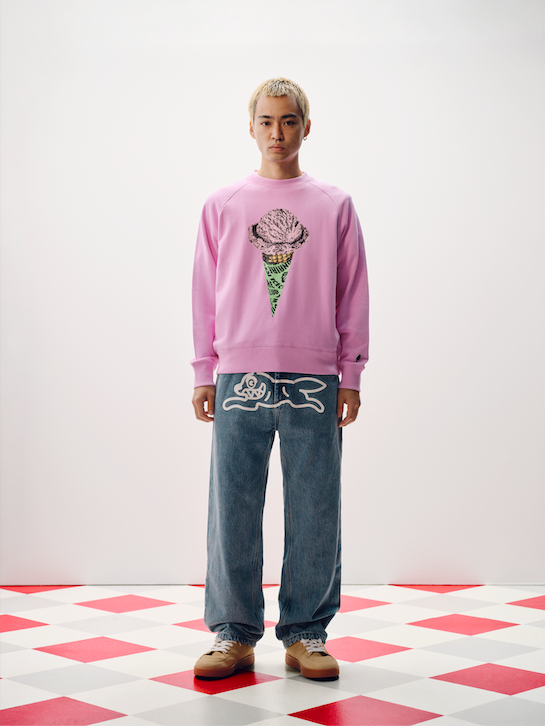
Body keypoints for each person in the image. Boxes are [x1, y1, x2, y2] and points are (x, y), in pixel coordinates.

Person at [191, 78, 369, 681]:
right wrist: (203, 369)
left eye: (289, 121)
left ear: (306, 127)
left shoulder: (334, 205)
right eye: (266, 121)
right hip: (237, 372)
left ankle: (306, 633)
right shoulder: (223, 204)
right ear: (250, 127)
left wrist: (351, 372)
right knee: (232, 507)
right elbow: (203, 292)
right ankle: (233, 633)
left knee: (315, 507)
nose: (277, 133)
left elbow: (353, 292)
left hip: (315, 375)